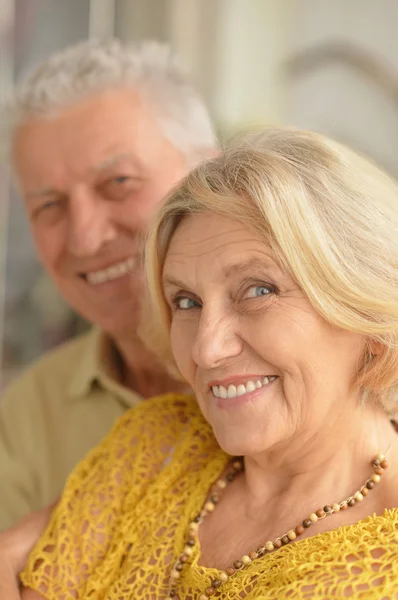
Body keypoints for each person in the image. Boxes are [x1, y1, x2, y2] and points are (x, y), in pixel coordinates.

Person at [19, 127, 398, 599]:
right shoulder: (159, 445)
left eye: (259, 290)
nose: (205, 349)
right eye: (186, 301)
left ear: (369, 317)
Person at [0, 38, 216, 532]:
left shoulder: (322, 372)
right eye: (49, 205)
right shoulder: (30, 412)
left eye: (118, 183)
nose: (85, 236)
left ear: (211, 173)